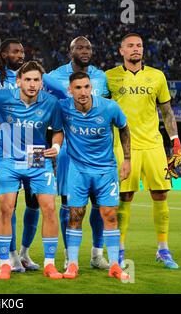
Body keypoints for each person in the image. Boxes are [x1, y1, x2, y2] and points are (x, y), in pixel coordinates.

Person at [106, 33, 181, 269]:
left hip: (153, 145)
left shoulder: (157, 76)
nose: (135, 49)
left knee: (160, 195)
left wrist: (176, 140)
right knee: (124, 198)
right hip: (123, 146)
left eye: (139, 45)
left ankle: (163, 249)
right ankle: (119, 251)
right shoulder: (110, 77)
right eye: (130, 46)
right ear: (121, 51)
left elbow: (167, 112)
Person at [0, 61, 64, 280]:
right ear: (19, 81)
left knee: (49, 207)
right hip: (9, 158)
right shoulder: (2, 97)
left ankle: (49, 263)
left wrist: (56, 147)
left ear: (42, 83)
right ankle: (4, 263)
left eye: (36, 80)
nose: (32, 84)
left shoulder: (51, 102)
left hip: (38, 156)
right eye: (28, 79)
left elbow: (58, 130)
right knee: (6, 207)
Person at [43, 36, 110, 270]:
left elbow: (106, 109)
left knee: (99, 205)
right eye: (79, 47)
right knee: (69, 206)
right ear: (69, 50)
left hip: (98, 153)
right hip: (69, 154)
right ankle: (68, 254)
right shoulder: (53, 76)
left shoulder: (101, 77)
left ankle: (96, 254)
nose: (85, 51)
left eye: (88, 47)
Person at [59, 72, 131, 280]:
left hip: (106, 170)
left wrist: (127, 159)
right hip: (78, 170)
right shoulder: (63, 107)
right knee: (75, 215)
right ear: (70, 90)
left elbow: (124, 128)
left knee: (109, 214)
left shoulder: (109, 107)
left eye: (86, 87)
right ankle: (72, 264)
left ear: (91, 87)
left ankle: (115, 265)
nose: (83, 92)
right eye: (78, 88)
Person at [0, 39, 41, 272]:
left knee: (35, 202)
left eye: (22, 50)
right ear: (3, 54)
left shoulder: (33, 74)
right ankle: (10, 255)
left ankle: (24, 253)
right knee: (9, 204)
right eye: (15, 51)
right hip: (8, 145)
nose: (20, 54)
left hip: (36, 145)